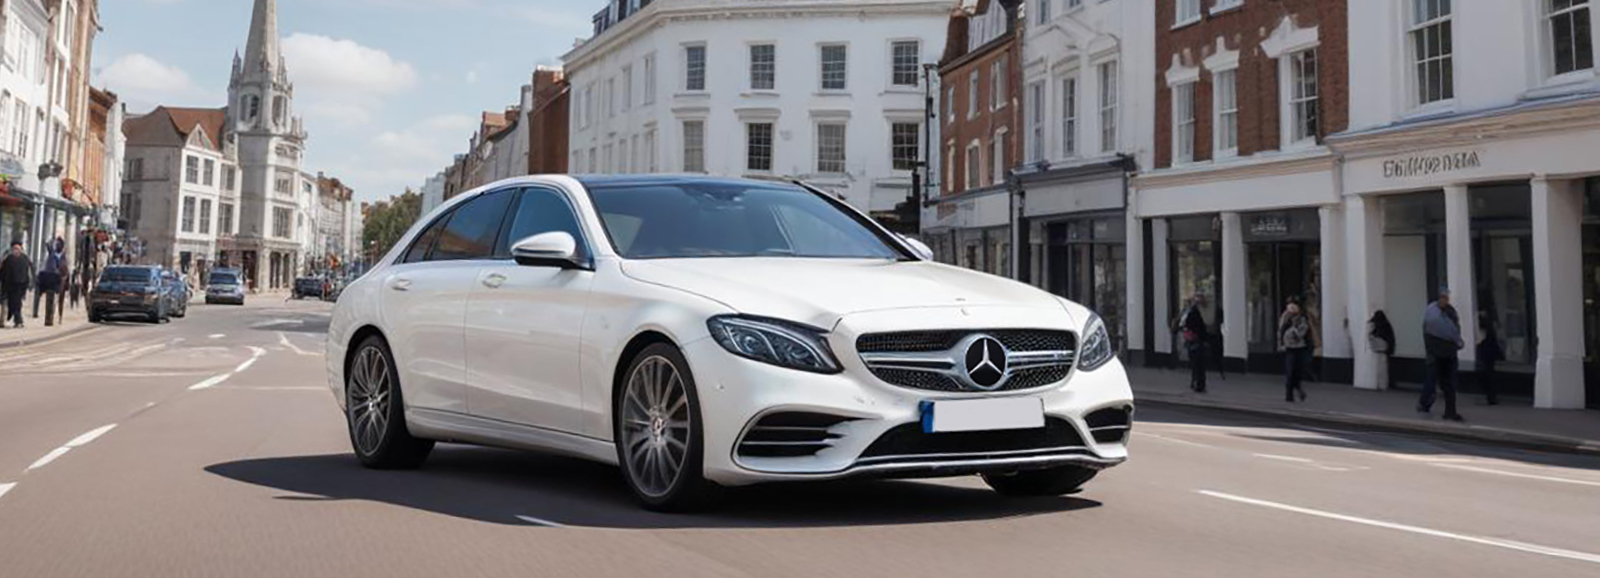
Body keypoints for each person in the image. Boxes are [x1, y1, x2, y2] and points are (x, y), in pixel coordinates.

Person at [1419, 287, 1466, 422]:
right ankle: (1425, 403)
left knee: (1449, 384)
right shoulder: (1433, 313)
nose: (1445, 300)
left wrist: (1456, 341)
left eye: (1446, 297)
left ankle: (1450, 411)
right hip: (1437, 354)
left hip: (1448, 354)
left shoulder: (1449, 312)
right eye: (1443, 297)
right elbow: (1431, 331)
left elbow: (1455, 329)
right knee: (1433, 381)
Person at [1280, 299, 1313, 403]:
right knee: (1290, 371)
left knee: (1297, 371)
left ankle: (1297, 388)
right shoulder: (1285, 319)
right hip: (1289, 348)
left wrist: (1294, 330)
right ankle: (1289, 394)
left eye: (1293, 308)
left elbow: (1301, 334)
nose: (1291, 311)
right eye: (1290, 309)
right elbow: (1281, 331)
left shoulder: (1302, 320)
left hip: (1299, 348)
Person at [1176, 293, 1210, 393]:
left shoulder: (1190, 312)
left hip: (1193, 340)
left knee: (1196, 364)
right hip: (1197, 340)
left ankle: (1196, 383)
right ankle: (1199, 384)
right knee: (1199, 364)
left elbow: (1185, 324)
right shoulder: (1197, 312)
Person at [33, 238, 65, 327]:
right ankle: (36, 313)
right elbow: (48, 246)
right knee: (40, 296)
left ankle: (50, 319)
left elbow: (63, 269)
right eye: (56, 244)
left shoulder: (62, 256)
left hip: (55, 277)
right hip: (46, 275)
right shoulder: (53, 254)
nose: (57, 246)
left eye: (59, 244)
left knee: (51, 300)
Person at [1, 241, 33, 329]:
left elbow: (28, 272)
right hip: (10, 285)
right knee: (13, 304)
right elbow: (3, 272)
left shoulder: (25, 259)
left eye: (18, 249)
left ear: (21, 249)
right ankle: (16, 319)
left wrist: (28, 284)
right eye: (14, 249)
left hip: (20, 285)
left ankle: (18, 320)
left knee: (17, 303)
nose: (16, 251)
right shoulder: (8, 259)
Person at [1476, 308, 1503, 406]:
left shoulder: (1484, 326)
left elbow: (1480, 339)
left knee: (1487, 374)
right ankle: (1491, 397)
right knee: (1489, 373)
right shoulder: (1489, 326)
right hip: (1489, 352)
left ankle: (1491, 397)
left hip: (1485, 352)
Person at [1368, 310, 1397, 390]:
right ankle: (1387, 382)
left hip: (1383, 348)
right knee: (1386, 366)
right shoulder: (1386, 324)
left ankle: (1384, 383)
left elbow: (1377, 334)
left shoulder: (1381, 326)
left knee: (1383, 367)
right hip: (1387, 348)